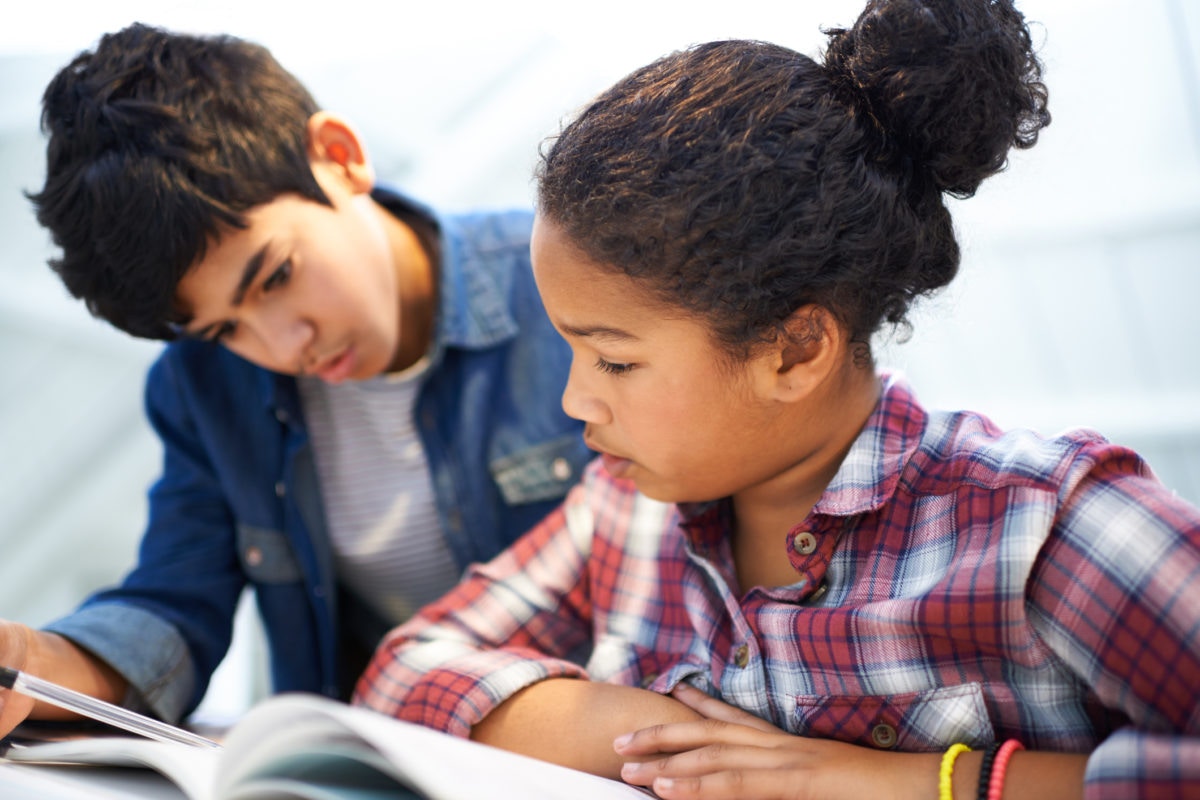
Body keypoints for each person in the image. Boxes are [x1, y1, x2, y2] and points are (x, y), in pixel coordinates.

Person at [353, 0, 1200, 797]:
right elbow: (402, 672)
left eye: (613, 363)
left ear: (795, 351)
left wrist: (877, 778)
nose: (577, 403)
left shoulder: (1043, 525)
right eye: (568, 350)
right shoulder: (620, 513)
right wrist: (648, 732)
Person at [0, 24, 591, 737]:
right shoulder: (202, 390)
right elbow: (174, 609)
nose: (283, 346)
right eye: (224, 330)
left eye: (276, 276)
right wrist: (27, 661)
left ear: (339, 159)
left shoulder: (567, 290)